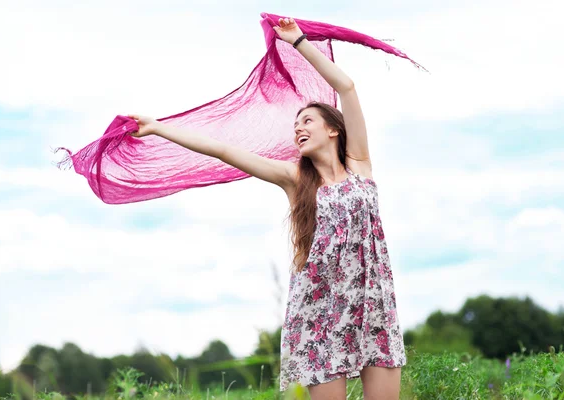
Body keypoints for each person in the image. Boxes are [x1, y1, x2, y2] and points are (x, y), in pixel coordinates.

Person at [128, 17, 405, 400]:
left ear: (333, 129)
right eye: (295, 125)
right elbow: (224, 151)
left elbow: (347, 85)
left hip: (372, 301)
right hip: (320, 310)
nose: (298, 129)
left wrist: (298, 42)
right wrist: (159, 127)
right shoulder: (295, 179)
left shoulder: (359, 163)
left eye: (307, 120)